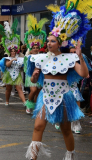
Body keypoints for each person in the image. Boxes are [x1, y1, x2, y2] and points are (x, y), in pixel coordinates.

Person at [25, 1, 91, 159]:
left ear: (60, 43)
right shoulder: (40, 58)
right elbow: (34, 81)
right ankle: (33, 157)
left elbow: (83, 74)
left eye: (52, 41)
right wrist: (34, 76)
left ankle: (70, 155)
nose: (49, 43)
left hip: (63, 96)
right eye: (48, 41)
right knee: (38, 126)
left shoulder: (70, 58)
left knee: (66, 130)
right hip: (45, 95)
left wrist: (80, 56)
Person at [24, 14, 48, 114]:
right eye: (34, 48)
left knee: (38, 92)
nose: (36, 49)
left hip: (40, 75)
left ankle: (36, 108)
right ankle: (29, 104)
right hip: (30, 75)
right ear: (31, 49)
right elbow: (26, 67)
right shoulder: (28, 56)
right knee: (33, 91)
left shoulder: (42, 56)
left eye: (37, 48)